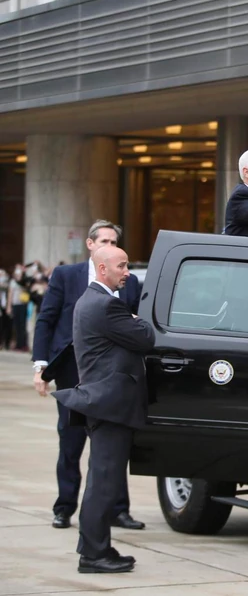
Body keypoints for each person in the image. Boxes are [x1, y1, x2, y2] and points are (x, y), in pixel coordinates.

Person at [32, 221, 144, 531]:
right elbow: (47, 319)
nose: (109, 244)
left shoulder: (129, 281)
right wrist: (40, 365)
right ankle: (64, 506)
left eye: (114, 240)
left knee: (111, 445)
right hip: (72, 372)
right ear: (90, 244)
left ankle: (118, 510)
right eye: (104, 240)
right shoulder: (67, 276)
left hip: (110, 377)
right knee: (71, 442)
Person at [52, 245, 155, 574]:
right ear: (102, 269)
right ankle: (94, 555)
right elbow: (145, 339)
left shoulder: (91, 301)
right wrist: (138, 321)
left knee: (102, 479)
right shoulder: (106, 305)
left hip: (104, 403)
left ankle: (95, 546)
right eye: (122, 266)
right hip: (111, 405)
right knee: (105, 482)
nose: (128, 272)